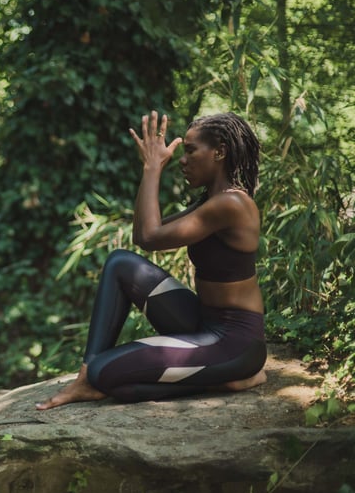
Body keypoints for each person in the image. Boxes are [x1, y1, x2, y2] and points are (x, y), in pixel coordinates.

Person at [36, 110, 267, 408]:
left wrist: (152, 168)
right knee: (120, 263)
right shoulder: (210, 201)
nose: (182, 160)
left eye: (191, 151)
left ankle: (229, 379)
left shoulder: (232, 204)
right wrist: (151, 168)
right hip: (202, 321)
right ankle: (84, 378)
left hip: (233, 342)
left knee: (105, 374)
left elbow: (149, 237)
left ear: (220, 152)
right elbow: (144, 234)